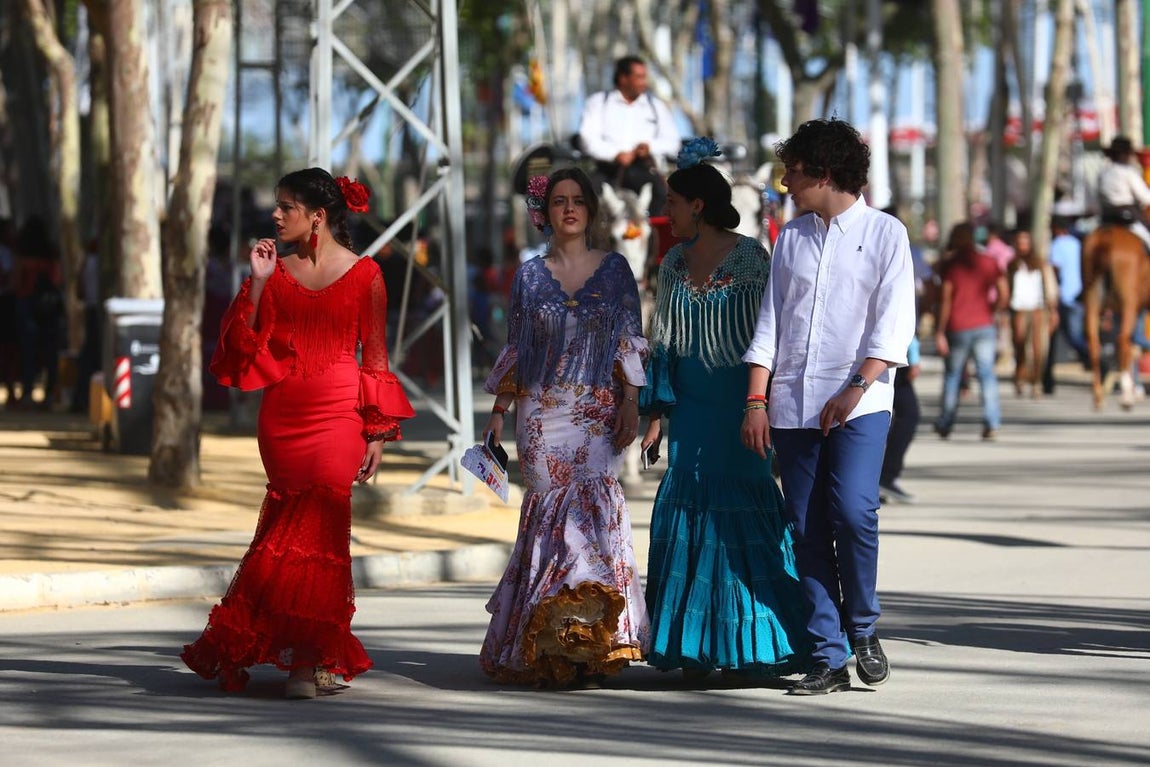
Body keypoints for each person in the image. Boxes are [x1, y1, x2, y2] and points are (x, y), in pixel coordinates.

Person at [182, 168, 415, 699]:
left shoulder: (367, 275)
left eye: (287, 206)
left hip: (340, 415)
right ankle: (273, 649)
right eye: (277, 205)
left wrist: (377, 430)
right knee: (291, 526)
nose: (276, 214)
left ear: (319, 215)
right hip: (283, 417)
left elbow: (375, 357)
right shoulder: (275, 271)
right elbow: (244, 345)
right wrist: (259, 280)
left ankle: (307, 662)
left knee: (323, 531)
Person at [741, 118, 916, 696]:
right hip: (792, 404)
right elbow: (770, 324)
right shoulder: (791, 238)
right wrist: (757, 399)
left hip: (861, 402)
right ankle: (827, 654)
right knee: (807, 527)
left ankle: (863, 626)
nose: (786, 180)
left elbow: (893, 327)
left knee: (855, 512)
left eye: (794, 170)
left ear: (826, 173)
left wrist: (855, 388)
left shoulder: (887, 234)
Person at [639, 139, 811, 682]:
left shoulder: (752, 258)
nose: (667, 211)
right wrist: (654, 415)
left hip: (740, 408)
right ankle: (694, 647)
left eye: (673, 201)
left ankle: (755, 645)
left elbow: (771, 337)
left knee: (744, 513)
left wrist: (764, 406)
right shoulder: (671, 261)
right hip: (690, 410)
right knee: (689, 509)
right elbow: (661, 342)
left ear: (699, 205)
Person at [480, 167, 650, 688]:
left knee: (593, 519)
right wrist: (496, 419)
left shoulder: (617, 268)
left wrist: (630, 401)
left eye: (577, 200)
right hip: (540, 415)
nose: (569, 209)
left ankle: (593, 645)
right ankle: (545, 645)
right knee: (551, 524)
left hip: (597, 412)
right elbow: (516, 349)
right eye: (559, 201)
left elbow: (630, 339)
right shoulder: (529, 276)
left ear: (591, 211)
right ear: (546, 212)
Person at [577, 55, 681, 216]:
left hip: (644, 170)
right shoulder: (598, 103)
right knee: (583, 198)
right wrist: (615, 154)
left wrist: (650, 147)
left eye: (644, 77)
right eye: (639, 77)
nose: (644, 82)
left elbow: (673, 143)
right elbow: (587, 139)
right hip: (607, 170)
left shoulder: (656, 107)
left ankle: (656, 238)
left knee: (662, 197)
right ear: (623, 78)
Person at [934, 222, 1009, 440]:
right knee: (986, 374)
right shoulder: (989, 261)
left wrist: (939, 331)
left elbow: (946, 299)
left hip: (957, 326)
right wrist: (992, 310)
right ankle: (992, 422)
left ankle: (946, 422)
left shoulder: (951, 265)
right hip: (983, 324)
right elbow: (1004, 292)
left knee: (953, 376)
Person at [1006, 229, 1058, 399]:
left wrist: (1053, 311)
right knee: (1020, 344)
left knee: (1038, 348)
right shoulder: (1012, 265)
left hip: (1038, 308)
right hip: (1019, 308)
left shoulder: (1041, 264)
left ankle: (1036, 381)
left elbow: (1050, 288)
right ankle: (1020, 375)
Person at [1042, 217, 1088, 394]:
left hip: (1062, 297)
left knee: (1063, 337)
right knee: (1074, 335)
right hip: (1079, 295)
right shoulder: (1077, 244)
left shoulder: (1057, 245)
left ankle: (1096, 360)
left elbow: (1055, 269)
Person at [879, 336, 921, 505]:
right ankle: (885, 477)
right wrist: (914, 356)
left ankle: (882, 477)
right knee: (908, 415)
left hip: (885, 353)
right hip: (891, 354)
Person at [1097, 135, 1150, 252]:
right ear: (1125, 154)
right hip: (1127, 214)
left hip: (1106, 217)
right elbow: (1144, 197)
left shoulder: (1103, 173)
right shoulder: (1128, 172)